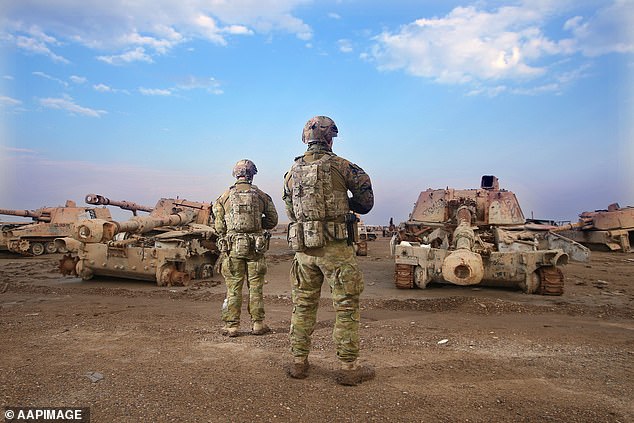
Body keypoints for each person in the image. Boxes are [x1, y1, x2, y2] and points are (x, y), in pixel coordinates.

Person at [283, 115, 375, 386]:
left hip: (304, 251)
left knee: (302, 306)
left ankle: (299, 363)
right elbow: (365, 203)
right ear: (331, 137)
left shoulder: (291, 172)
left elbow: (290, 210)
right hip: (336, 250)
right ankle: (348, 368)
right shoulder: (345, 167)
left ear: (305, 137)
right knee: (345, 307)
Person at [214, 159, 278, 337]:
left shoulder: (224, 197)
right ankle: (258, 324)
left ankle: (232, 326)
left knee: (233, 288)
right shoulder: (261, 195)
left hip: (233, 249)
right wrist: (258, 225)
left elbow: (219, 227)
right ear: (251, 175)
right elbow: (272, 220)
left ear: (236, 174)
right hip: (256, 249)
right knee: (256, 287)